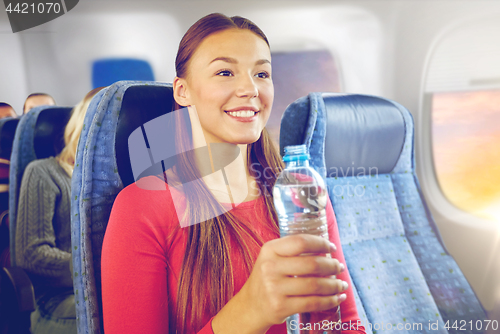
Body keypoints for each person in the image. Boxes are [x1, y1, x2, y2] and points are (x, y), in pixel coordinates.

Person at [101, 13, 366, 334]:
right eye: (225, 72)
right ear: (183, 91)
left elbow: (344, 323)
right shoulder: (141, 208)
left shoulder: (302, 192)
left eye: (262, 73)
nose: (250, 88)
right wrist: (250, 310)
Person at [15, 87, 103, 334]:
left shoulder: (125, 181)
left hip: (109, 289)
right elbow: (32, 254)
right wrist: (98, 270)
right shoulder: (44, 172)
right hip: (60, 298)